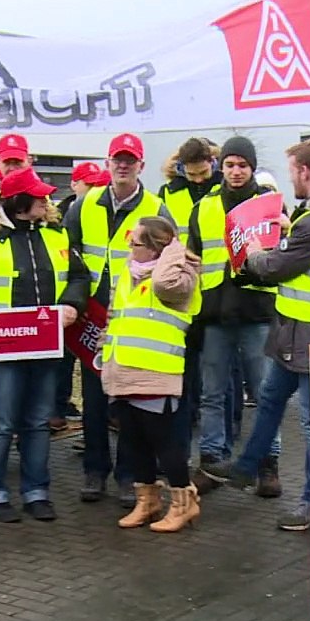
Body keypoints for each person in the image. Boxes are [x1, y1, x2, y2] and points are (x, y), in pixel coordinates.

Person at [204, 139, 310, 532]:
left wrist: (257, 250)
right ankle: (245, 468)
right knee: (272, 399)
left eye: (292, 170)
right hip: (299, 333)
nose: (290, 176)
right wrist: (291, 231)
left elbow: (275, 267)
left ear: (305, 172)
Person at [0, 167, 90, 522]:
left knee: (38, 420)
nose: (46, 201)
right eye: (38, 196)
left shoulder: (56, 233)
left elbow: (79, 275)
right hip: (1, 346)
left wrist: (72, 302)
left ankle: (36, 491)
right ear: (19, 201)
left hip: (44, 343)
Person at [64, 133, 174, 507]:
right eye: (117, 159)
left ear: (141, 165)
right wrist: (77, 303)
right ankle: (95, 471)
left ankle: (130, 477)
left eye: (130, 160)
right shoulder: (84, 204)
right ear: (108, 163)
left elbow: (170, 260)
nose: (123, 165)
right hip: (92, 313)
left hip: (134, 316)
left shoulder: (157, 208)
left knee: (127, 401)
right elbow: (70, 256)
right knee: (94, 399)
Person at [187, 136, 280, 495]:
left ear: (252, 168)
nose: (236, 171)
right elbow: (195, 258)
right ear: (220, 167)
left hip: (256, 311)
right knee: (212, 393)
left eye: (242, 165)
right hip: (214, 313)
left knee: (264, 394)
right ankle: (212, 461)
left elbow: (277, 260)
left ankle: (268, 464)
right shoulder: (205, 207)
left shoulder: (268, 205)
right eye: (230, 164)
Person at [104, 216, 202, 532]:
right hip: (123, 368)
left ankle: (183, 504)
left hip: (158, 369)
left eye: (136, 243)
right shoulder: (127, 271)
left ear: (156, 247)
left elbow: (164, 286)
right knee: (133, 441)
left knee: (166, 444)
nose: (130, 248)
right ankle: (147, 501)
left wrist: (174, 251)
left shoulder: (180, 272)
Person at [50, 162, 108, 431]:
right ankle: (58, 406)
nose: (96, 189)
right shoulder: (68, 213)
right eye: (91, 183)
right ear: (74, 184)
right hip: (77, 302)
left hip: (101, 303)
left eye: (100, 184)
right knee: (65, 359)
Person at [160, 137, 221, 240]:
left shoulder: (227, 187)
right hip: (181, 255)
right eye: (191, 174)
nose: (198, 179)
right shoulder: (167, 192)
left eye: (203, 172)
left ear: (213, 162)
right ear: (181, 168)